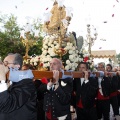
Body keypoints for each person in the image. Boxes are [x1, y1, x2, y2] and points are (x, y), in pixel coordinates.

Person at [0, 53, 37, 120]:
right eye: (3, 64)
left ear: (17, 66)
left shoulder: (27, 84)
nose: (3, 67)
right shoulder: (7, 82)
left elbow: (8, 105)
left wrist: (2, 79)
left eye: (6, 63)